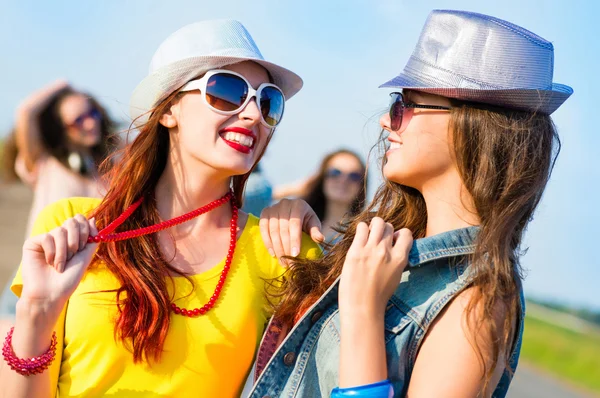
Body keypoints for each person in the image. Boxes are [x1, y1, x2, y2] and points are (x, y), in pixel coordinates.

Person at [252, 10, 572, 397]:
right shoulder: (396, 245)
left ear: (470, 127)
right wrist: (293, 227)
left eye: (406, 105)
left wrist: (364, 314)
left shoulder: (481, 299)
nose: (388, 121)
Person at [1, 20, 320, 398]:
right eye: (227, 91)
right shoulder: (74, 225)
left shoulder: (283, 250)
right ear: (168, 111)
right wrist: (37, 310)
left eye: (268, 101)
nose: (252, 114)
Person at [0, 82, 116, 337]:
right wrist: (63, 85)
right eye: (78, 120)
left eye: (92, 113)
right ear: (61, 129)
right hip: (38, 275)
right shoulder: (43, 162)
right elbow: (25, 111)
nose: (90, 122)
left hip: (83, 282)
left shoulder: (106, 169)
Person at [273, 149, 367, 244]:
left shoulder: (362, 235)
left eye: (354, 176)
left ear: (362, 185)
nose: (343, 180)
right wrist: (294, 188)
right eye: (335, 173)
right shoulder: (298, 222)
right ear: (322, 178)